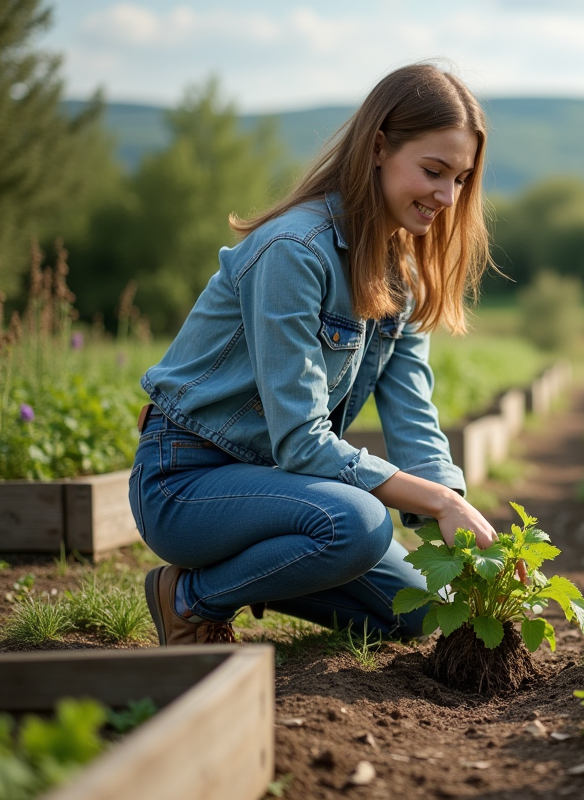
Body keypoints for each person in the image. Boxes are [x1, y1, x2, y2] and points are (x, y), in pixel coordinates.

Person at [130, 63, 502, 646]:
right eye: (433, 171)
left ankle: (259, 570)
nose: (446, 197)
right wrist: (430, 500)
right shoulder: (293, 250)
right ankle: (188, 597)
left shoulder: (400, 274)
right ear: (379, 147)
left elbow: (413, 418)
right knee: (357, 523)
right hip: (189, 481)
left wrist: (456, 518)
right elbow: (302, 442)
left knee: (427, 610)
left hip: (284, 493)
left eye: (460, 179)